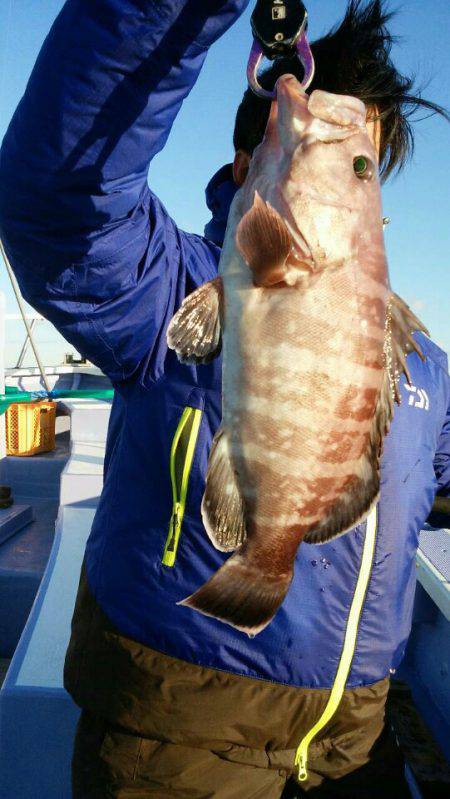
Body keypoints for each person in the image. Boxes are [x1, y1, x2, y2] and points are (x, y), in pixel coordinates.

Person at [0, 1, 448, 797]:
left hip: (357, 751)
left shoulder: (422, 366)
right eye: (316, 131)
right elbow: (60, 202)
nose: (352, 167)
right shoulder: (166, 290)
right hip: (180, 748)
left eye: (364, 166)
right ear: (249, 160)